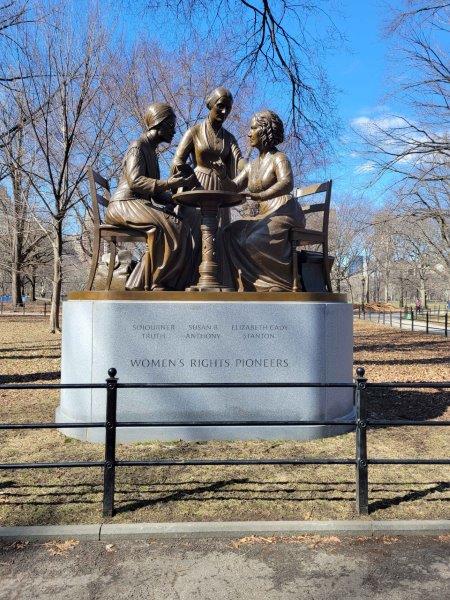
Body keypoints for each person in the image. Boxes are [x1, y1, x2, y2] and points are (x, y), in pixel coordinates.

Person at [105, 103, 195, 290]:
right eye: (171, 125)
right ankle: (157, 281)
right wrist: (170, 183)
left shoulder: (152, 153)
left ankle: (140, 282)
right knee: (170, 225)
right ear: (159, 124)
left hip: (138, 204)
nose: (174, 130)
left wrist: (178, 196)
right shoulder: (137, 147)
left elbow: (157, 193)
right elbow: (136, 182)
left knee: (182, 224)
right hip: (124, 204)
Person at [224, 110, 305, 291]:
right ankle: (244, 284)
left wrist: (261, 196)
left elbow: (287, 183)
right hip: (264, 214)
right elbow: (234, 186)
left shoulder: (279, 158)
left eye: (253, 128)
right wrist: (219, 172)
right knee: (228, 233)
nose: (249, 133)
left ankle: (281, 283)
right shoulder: (252, 165)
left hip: (284, 211)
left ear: (265, 130)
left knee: (254, 240)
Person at [171, 87, 245, 285]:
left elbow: (240, 162)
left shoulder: (229, 138)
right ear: (210, 105)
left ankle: (215, 282)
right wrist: (186, 176)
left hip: (219, 190)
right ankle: (187, 282)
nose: (224, 112)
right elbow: (177, 161)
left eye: (228, 109)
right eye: (220, 107)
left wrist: (253, 168)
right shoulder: (194, 132)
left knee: (220, 235)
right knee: (193, 235)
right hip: (197, 187)